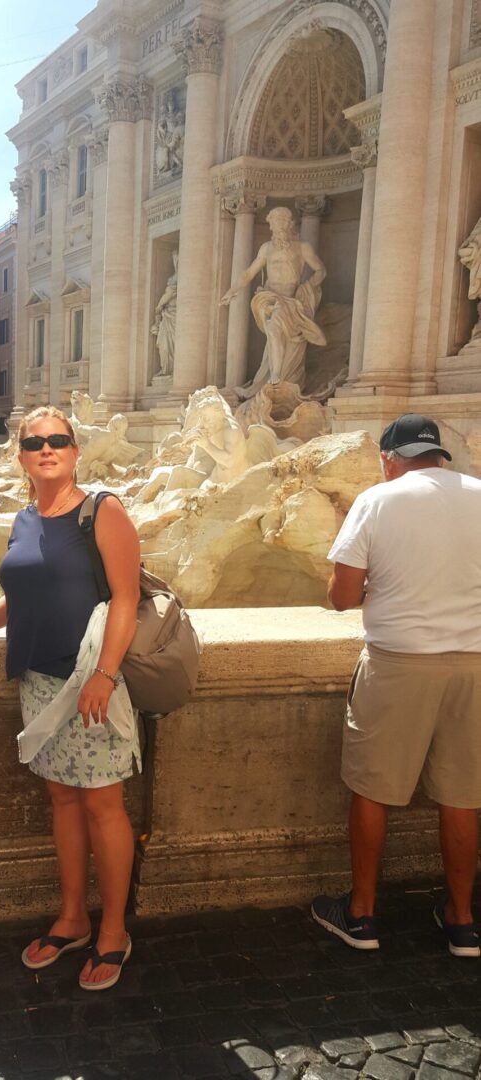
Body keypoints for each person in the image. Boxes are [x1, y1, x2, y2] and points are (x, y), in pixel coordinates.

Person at [0, 405, 142, 990]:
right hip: (39, 681)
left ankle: (114, 931)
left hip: (92, 682)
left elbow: (126, 598)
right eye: (35, 442)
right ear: (21, 456)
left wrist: (104, 674)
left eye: (58, 440)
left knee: (104, 804)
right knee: (63, 802)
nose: (47, 448)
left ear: (75, 451)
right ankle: (74, 917)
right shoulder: (24, 520)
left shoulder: (102, 510)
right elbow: (20, 596)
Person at [311, 414, 481, 957]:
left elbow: (341, 597)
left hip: (399, 662)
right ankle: (461, 921)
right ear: (437, 453)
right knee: (462, 795)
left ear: (389, 458)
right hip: (474, 664)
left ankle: (361, 915)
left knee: (373, 787)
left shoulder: (376, 501)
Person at [220, 206, 326, 396]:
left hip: (292, 300)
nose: (276, 227)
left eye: (280, 222)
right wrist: (232, 290)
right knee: (274, 328)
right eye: (273, 223)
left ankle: (274, 377)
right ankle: (275, 375)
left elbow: (321, 270)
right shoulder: (266, 248)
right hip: (270, 298)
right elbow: (248, 273)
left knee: (278, 336)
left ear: (288, 223)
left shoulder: (302, 247)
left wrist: (307, 287)